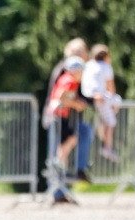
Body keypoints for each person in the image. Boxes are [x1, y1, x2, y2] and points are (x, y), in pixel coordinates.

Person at [42, 38, 94, 183]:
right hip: (57, 117)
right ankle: (57, 191)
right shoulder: (67, 73)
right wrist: (75, 104)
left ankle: (73, 176)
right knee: (57, 151)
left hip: (67, 117)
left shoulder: (75, 72)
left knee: (75, 138)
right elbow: (59, 95)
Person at [81, 44, 122, 162]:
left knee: (108, 114)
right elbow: (111, 88)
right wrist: (113, 104)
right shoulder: (106, 67)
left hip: (87, 97)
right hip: (100, 98)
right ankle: (107, 146)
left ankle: (103, 125)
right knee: (112, 118)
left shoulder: (88, 65)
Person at [47, 56, 88, 170]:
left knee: (66, 141)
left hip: (61, 115)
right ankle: (59, 160)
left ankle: (61, 163)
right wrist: (76, 105)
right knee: (72, 139)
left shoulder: (70, 80)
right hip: (59, 115)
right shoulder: (69, 80)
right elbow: (61, 96)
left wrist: (77, 102)